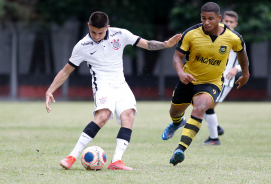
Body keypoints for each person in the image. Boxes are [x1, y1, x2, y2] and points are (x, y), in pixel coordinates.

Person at [45, 11, 181, 170]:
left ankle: (116, 161)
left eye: (100, 32)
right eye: (93, 32)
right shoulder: (82, 46)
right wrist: (50, 90)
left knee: (128, 115)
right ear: (88, 26)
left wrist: (166, 44)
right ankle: (72, 156)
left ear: (107, 27)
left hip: (121, 85)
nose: (96, 36)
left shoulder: (120, 34)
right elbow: (66, 71)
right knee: (103, 115)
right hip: (102, 85)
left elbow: (146, 44)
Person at [161, 2, 249, 166]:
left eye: (210, 18)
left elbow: (242, 54)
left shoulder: (233, 37)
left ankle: (180, 149)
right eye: (203, 18)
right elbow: (176, 57)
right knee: (174, 111)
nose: (206, 22)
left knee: (201, 108)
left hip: (212, 83)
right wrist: (181, 73)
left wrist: (245, 74)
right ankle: (177, 122)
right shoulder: (191, 33)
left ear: (219, 18)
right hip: (188, 80)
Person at [202, 10, 244, 145]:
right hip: (211, 77)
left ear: (236, 24)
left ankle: (214, 139)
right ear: (221, 20)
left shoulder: (237, 39)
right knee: (201, 106)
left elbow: (245, 62)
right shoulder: (214, 36)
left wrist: (235, 69)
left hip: (225, 79)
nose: (228, 24)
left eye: (231, 22)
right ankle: (216, 128)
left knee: (207, 107)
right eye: (226, 21)